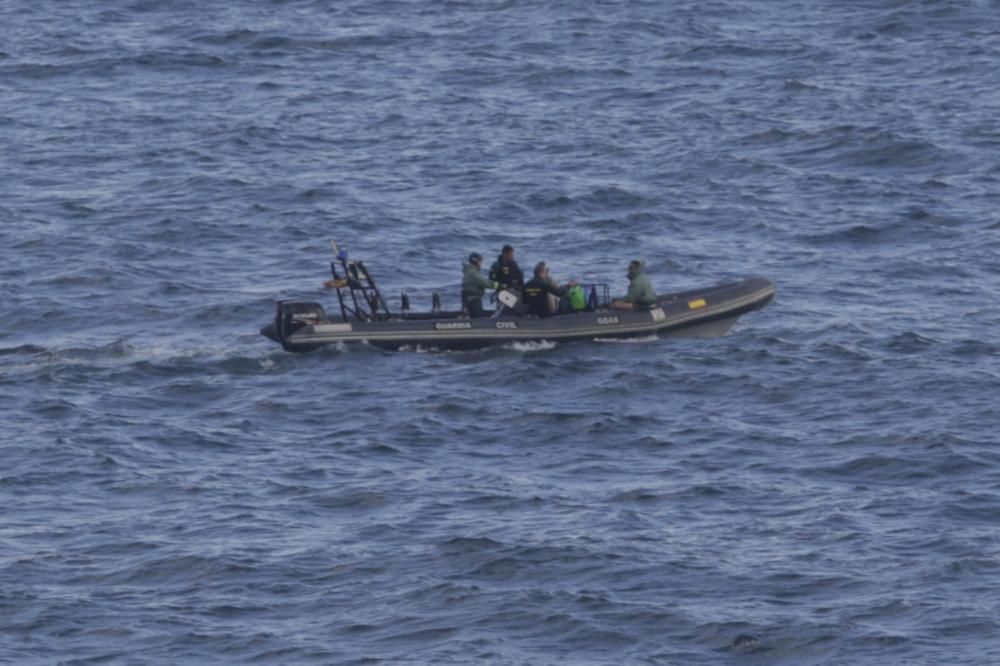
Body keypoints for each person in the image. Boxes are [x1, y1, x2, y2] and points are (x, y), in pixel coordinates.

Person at [461, 253, 501, 318]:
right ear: (476, 262)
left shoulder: (468, 271)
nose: (481, 264)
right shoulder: (473, 273)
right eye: (480, 261)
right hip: (474, 300)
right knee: (478, 318)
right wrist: (500, 285)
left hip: (469, 300)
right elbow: (487, 283)